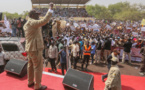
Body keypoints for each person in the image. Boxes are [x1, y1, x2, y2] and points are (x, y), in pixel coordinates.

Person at [23, 3, 54, 90]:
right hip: (35, 48)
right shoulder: (32, 22)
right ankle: (37, 86)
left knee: (30, 65)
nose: (38, 16)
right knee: (38, 67)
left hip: (30, 48)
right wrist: (50, 9)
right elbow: (44, 21)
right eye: (36, 15)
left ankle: (30, 82)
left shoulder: (27, 23)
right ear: (32, 15)